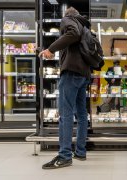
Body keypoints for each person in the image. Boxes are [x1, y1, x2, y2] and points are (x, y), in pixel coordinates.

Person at [39, 7, 91, 170]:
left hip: (71, 73)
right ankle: (81, 151)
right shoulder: (84, 25)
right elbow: (75, 43)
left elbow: (72, 33)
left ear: (66, 15)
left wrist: (50, 49)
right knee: (82, 114)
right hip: (83, 75)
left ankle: (64, 155)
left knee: (65, 114)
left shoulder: (68, 20)